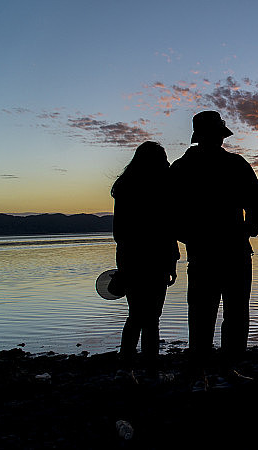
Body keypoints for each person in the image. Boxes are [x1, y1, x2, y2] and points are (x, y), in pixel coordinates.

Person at [170, 111, 258, 367]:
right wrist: (248, 229)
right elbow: (256, 202)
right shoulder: (234, 164)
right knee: (234, 314)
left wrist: (189, 237)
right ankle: (226, 368)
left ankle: (204, 372)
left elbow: (170, 214)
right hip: (231, 252)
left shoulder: (181, 167)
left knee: (203, 315)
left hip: (207, 253)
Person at [111, 141, 179, 367]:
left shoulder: (124, 187)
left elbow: (119, 232)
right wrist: (172, 262)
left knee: (137, 316)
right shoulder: (162, 190)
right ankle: (148, 368)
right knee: (150, 318)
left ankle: (129, 367)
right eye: (163, 159)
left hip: (131, 258)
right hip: (154, 259)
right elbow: (168, 229)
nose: (167, 163)